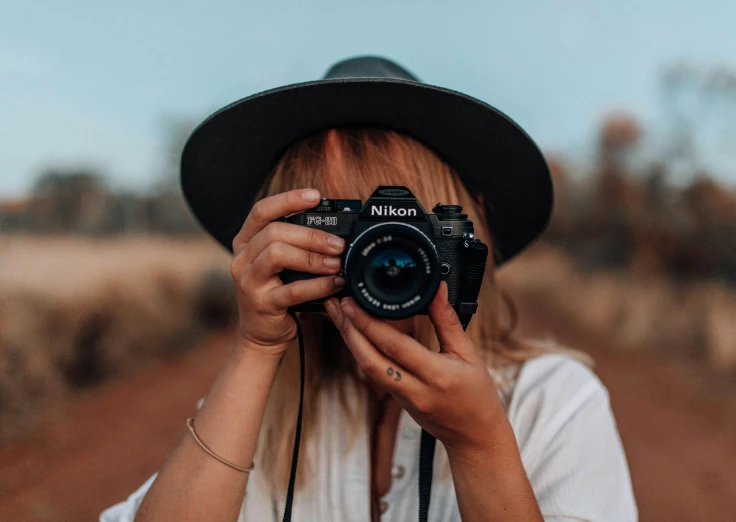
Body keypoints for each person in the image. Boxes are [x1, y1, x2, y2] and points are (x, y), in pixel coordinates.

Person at [101, 57, 636, 522]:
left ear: (461, 241)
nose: (375, 258)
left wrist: (480, 446)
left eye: (401, 235)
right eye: (339, 229)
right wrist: (257, 349)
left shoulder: (552, 402)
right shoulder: (266, 411)